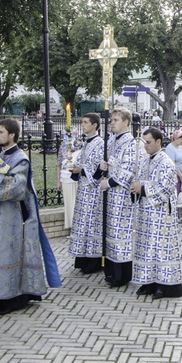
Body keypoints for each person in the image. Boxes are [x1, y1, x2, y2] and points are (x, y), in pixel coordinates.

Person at [0, 119, 61, 314]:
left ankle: (9, 298)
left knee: (5, 255)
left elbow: (16, 187)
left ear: (12, 135)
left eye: (0, 132)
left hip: (11, 218)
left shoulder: (20, 159)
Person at [130, 128, 182, 299]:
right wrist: (136, 187)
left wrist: (143, 188)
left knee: (160, 250)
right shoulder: (146, 160)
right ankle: (149, 283)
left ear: (158, 142)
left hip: (161, 215)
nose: (145, 146)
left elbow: (166, 188)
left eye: (148, 142)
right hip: (147, 213)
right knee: (148, 248)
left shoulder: (166, 162)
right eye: (144, 142)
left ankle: (165, 286)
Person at [99, 108, 147, 287]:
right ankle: (110, 271)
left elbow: (129, 170)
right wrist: (102, 166)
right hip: (110, 195)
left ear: (126, 122)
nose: (111, 122)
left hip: (122, 195)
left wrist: (109, 182)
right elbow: (109, 163)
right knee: (110, 232)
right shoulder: (111, 140)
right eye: (111, 120)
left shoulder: (132, 143)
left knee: (121, 233)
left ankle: (122, 275)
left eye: (116, 120)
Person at [68, 113, 105, 274]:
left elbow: (99, 168)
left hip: (93, 190)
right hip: (83, 189)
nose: (82, 125)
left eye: (85, 122)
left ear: (95, 125)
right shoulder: (86, 143)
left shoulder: (99, 143)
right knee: (82, 223)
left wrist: (81, 170)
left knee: (91, 224)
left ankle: (94, 260)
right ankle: (82, 258)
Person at [56, 129, 82, 229]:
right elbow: (58, 164)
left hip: (76, 178)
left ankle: (78, 227)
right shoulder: (62, 147)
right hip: (65, 178)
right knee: (68, 204)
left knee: (77, 203)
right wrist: (58, 181)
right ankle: (71, 227)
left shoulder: (80, 146)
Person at [165, 129, 182, 196]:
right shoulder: (170, 148)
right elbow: (173, 163)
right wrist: (180, 175)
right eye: (181, 139)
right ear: (176, 138)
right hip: (176, 176)